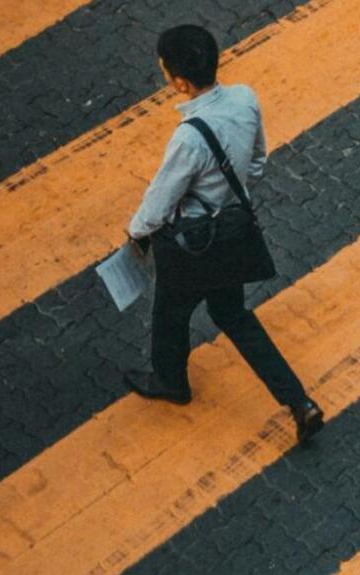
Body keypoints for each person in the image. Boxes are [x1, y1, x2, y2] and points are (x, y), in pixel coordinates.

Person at [122, 23, 324, 443]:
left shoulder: (188, 138)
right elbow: (257, 161)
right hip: (232, 233)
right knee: (233, 315)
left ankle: (171, 383)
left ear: (180, 82)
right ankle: (299, 402)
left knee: (170, 313)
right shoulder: (245, 99)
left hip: (192, 246)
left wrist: (136, 231)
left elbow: (161, 200)